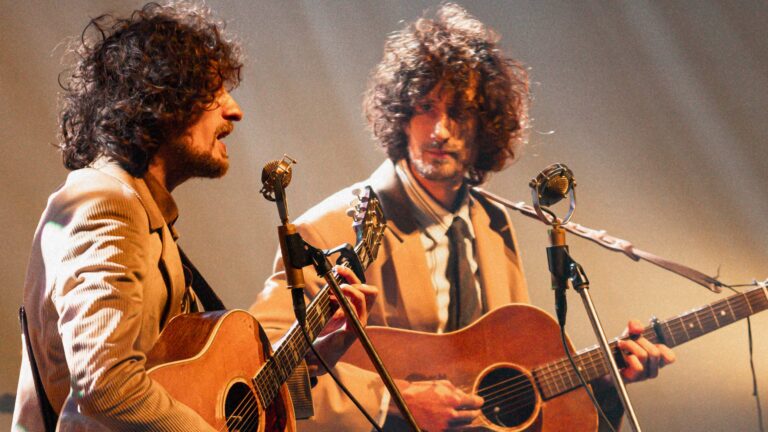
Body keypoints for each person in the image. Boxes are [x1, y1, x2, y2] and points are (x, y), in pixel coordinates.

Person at [250, 3, 675, 432]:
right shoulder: (328, 229)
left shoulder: (493, 225)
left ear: (487, 125)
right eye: (426, 108)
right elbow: (263, 364)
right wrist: (390, 401)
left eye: (460, 113)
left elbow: (509, 376)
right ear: (400, 114)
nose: (439, 131)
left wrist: (602, 372)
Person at [12, 3, 376, 431]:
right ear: (161, 99)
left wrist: (314, 356)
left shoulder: (141, 210)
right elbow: (105, 385)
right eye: (213, 92)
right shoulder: (105, 203)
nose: (234, 111)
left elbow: (186, 391)